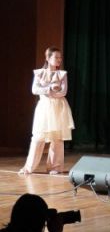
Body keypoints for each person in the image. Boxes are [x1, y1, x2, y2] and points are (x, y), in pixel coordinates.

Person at [20, 47, 75, 175]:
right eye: (56, 57)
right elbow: (35, 89)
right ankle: (29, 167)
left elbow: (63, 92)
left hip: (59, 108)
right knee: (38, 138)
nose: (59, 59)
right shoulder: (40, 73)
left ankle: (55, 167)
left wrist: (48, 91)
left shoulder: (62, 74)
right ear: (48, 58)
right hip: (44, 107)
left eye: (60, 57)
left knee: (57, 139)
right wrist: (50, 88)